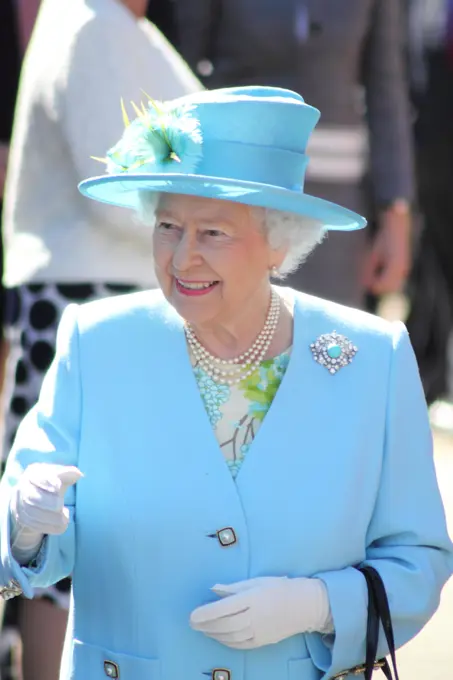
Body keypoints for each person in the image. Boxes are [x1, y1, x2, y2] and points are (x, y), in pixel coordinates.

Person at [0, 86, 451, 680]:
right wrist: (27, 522)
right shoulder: (97, 341)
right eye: (168, 226)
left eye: (213, 233)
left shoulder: (373, 357)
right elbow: (29, 548)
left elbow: (418, 558)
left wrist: (318, 604)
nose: (183, 258)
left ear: (278, 241)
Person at [0, 0, 202, 677]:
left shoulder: (114, 24)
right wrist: (204, 228)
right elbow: (109, 184)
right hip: (78, 293)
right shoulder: (87, 23)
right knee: (56, 515)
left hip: (110, 288)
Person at [170, 0, 414, 310]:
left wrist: (396, 213)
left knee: (329, 338)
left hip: (335, 208)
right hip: (240, 195)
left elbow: (386, 88)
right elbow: (183, 69)